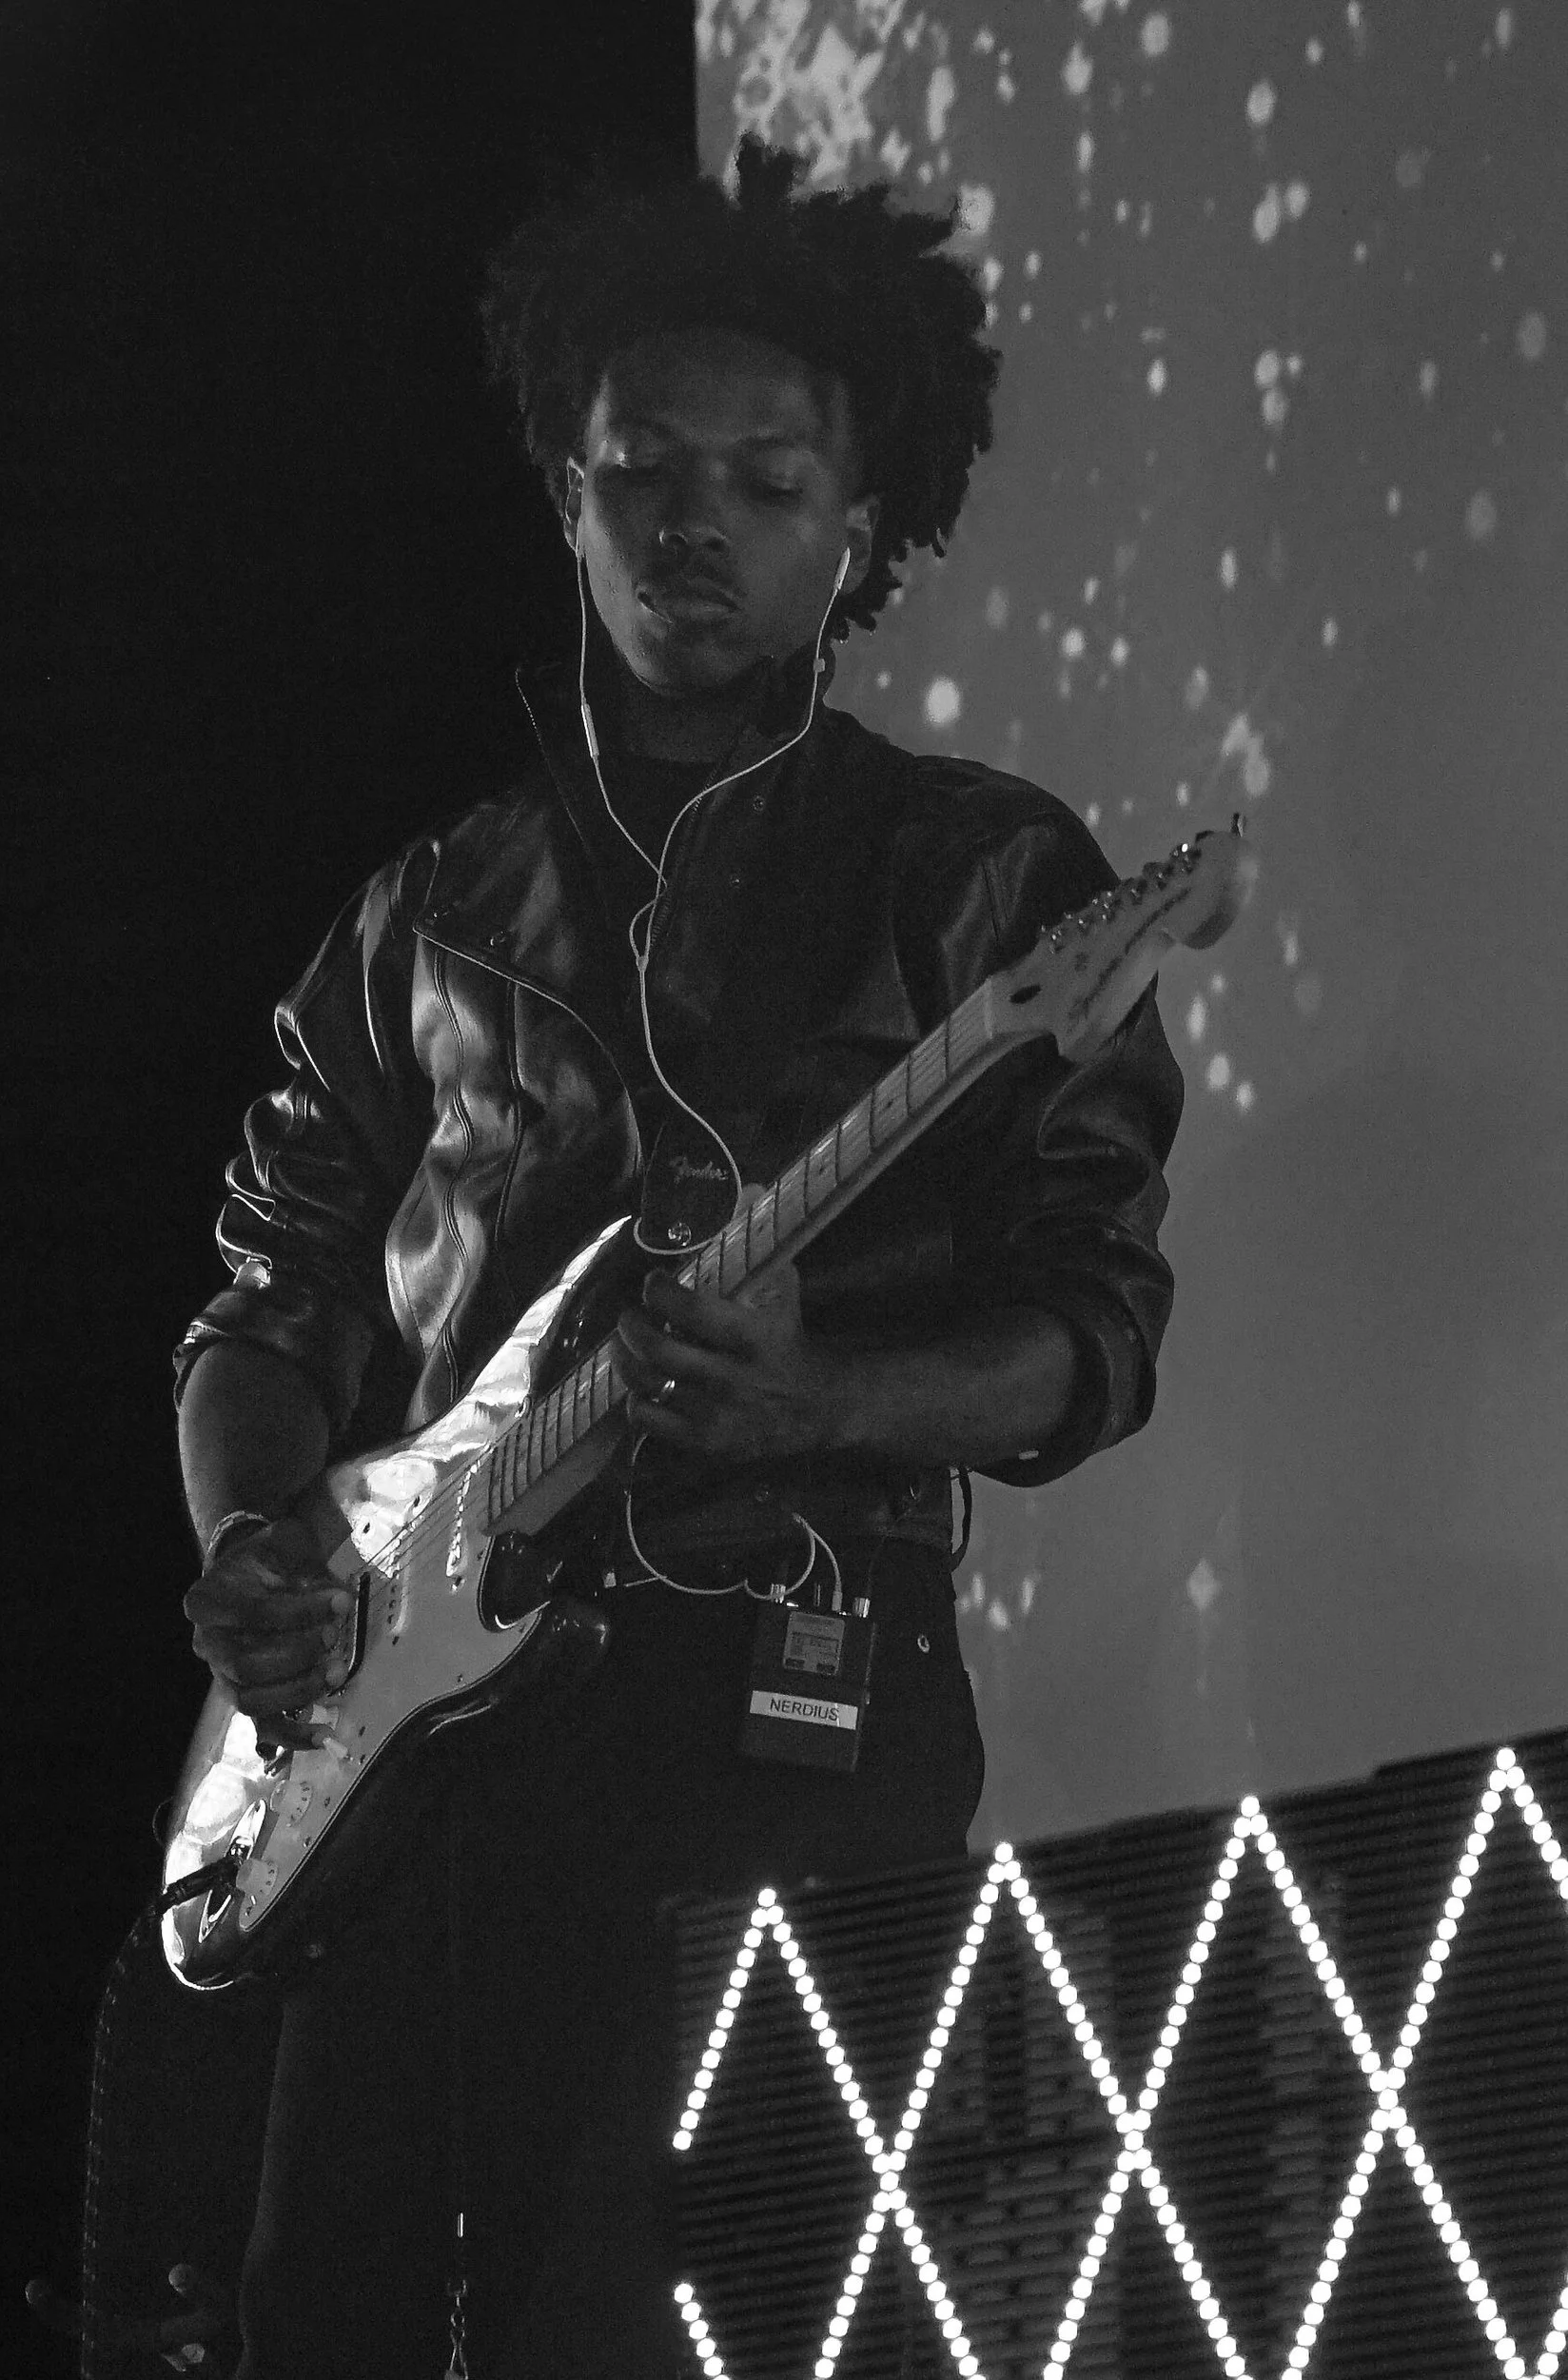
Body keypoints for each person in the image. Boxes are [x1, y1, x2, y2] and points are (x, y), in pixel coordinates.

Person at [170, 141, 1183, 2378]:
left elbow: (1092, 1333)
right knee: (320, 2314)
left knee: (715, 2317)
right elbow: (265, 1299)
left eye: (763, 481)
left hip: (787, 1713)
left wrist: (831, 1397)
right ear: (565, 492)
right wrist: (256, 1535)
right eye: (640, 471)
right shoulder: (425, 912)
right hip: (422, 1763)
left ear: (858, 526)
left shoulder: (984, 879)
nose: (690, 524)